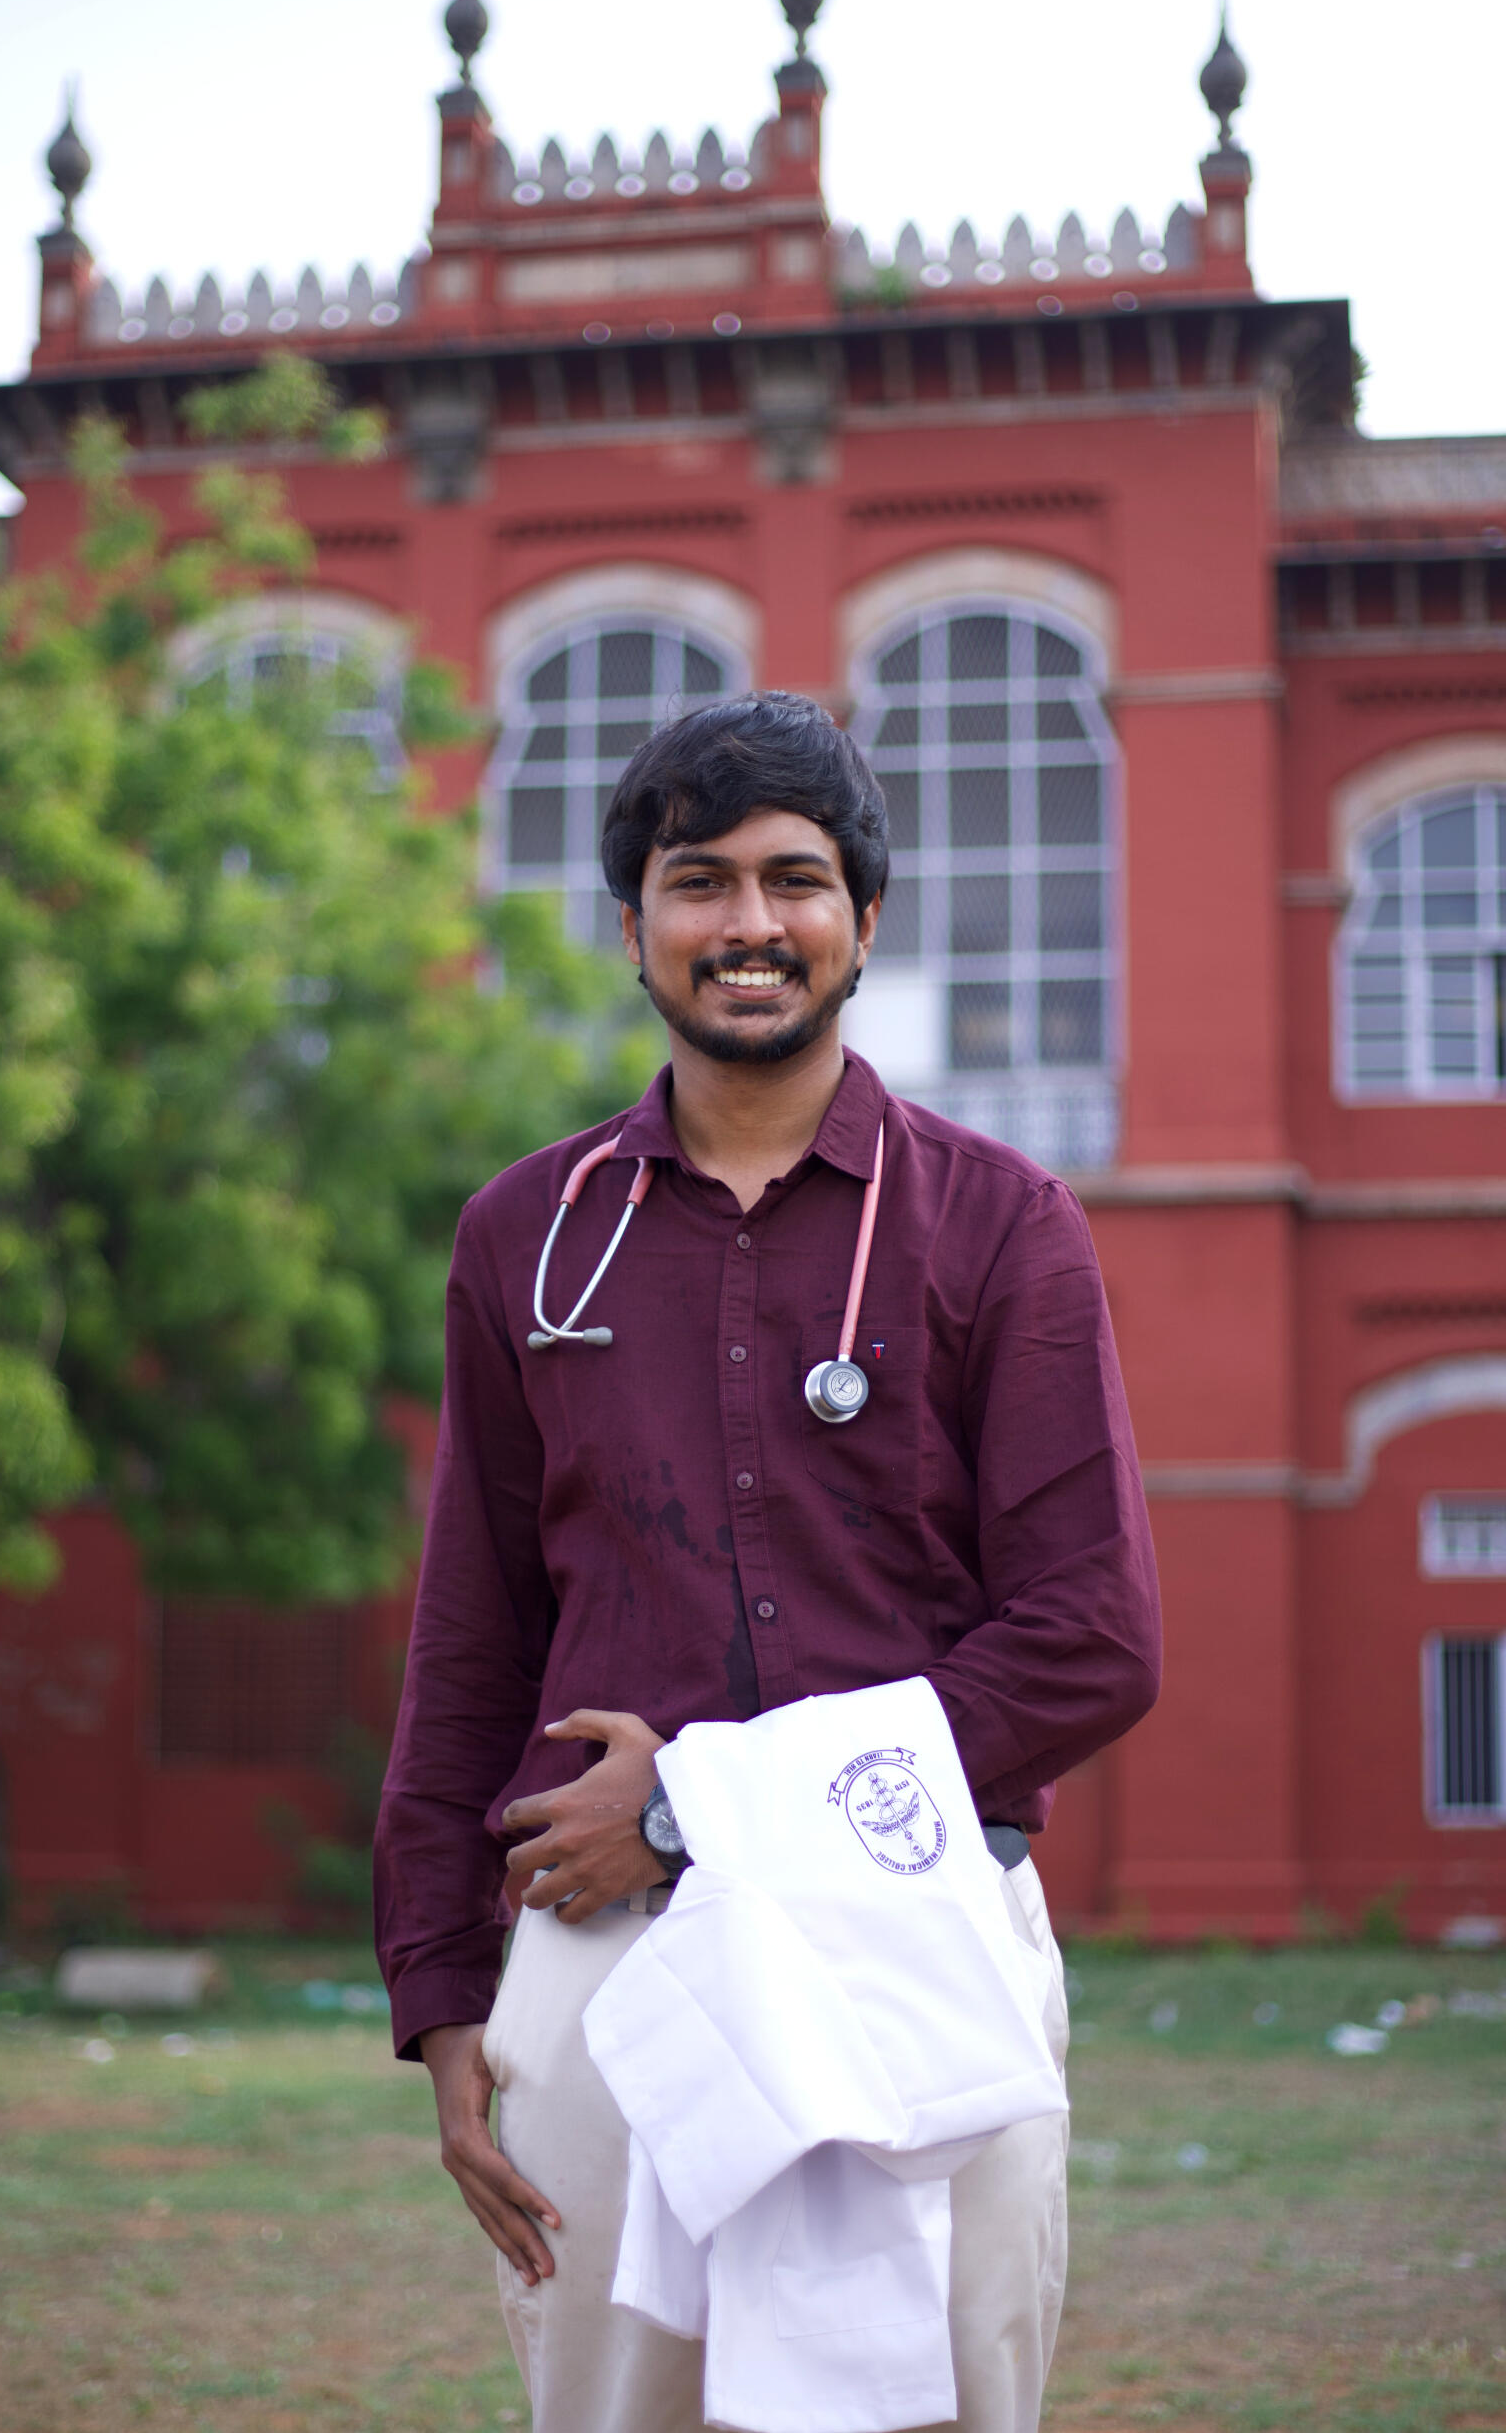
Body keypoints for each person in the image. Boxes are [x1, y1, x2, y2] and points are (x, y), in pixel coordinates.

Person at [375, 692, 1162, 2433]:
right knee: (616, 2412)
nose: (749, 925)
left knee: (948, 2405)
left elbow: (1091, 1639)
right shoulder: (531, 1235)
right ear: (637, 924)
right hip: (608, 1963)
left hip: (920, 1932)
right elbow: (473, 1644)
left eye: (795, 881)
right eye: (697, 880)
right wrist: (444, 2003)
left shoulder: (1000, 1226)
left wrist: (694, 1802)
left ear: (863, 920)